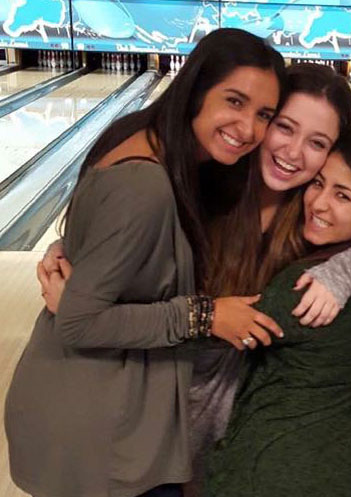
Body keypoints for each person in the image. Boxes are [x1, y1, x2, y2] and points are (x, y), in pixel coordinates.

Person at [4, 28, 287, 497]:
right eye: (234, 101)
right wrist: (206, 315)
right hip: (100, 435)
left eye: (264, 115)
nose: (249, 129)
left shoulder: (141, 137)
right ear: (196, 89)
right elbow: (79, 321)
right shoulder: (145, 186)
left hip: (96, 416)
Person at [187, 64, 351, 493]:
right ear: (264, 120)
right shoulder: (206, 188)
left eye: (317, 143)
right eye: (284, 127)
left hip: (244, 421)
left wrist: (345, 273)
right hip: (174, 406)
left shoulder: (309, 213)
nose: (293, 153)